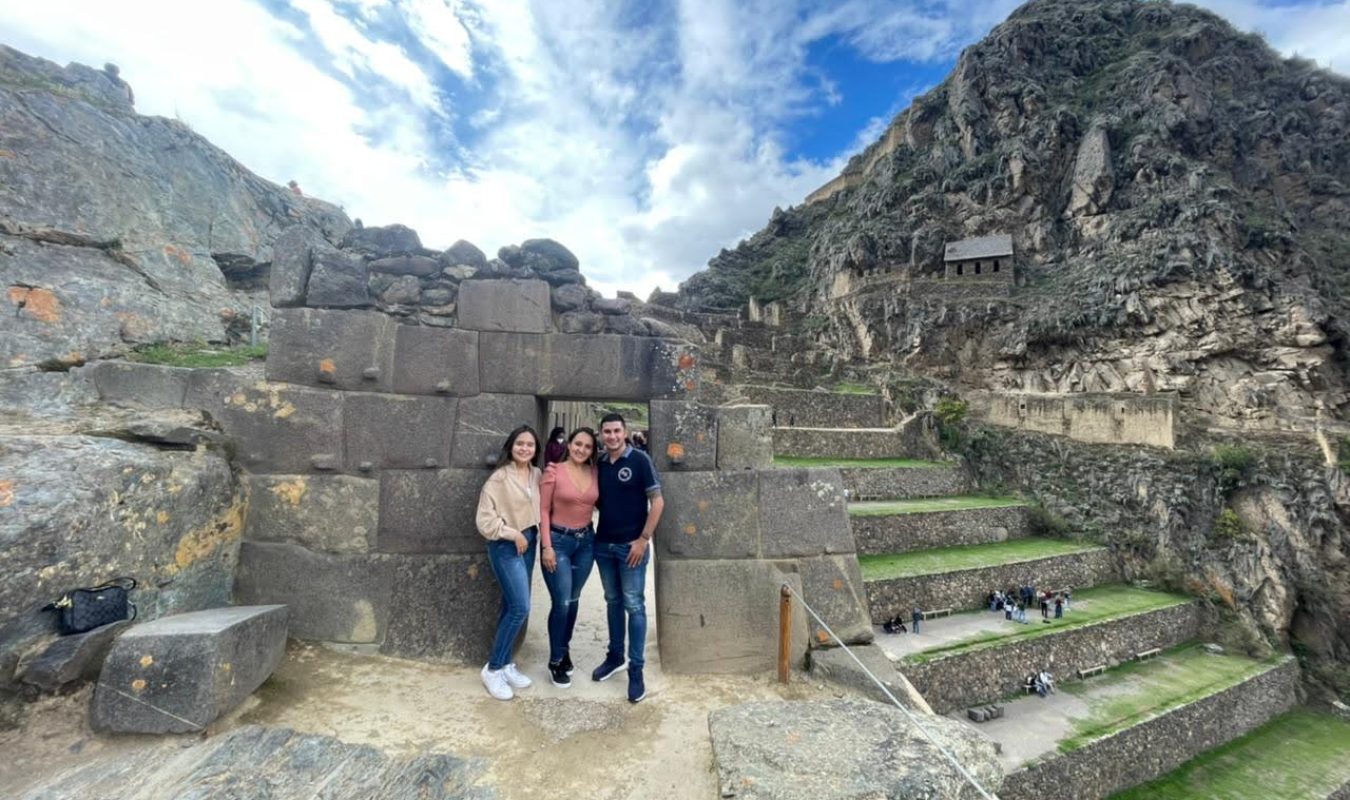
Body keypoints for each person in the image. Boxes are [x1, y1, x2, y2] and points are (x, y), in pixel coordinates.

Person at [591, 413, 664, 703]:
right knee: (612, 601)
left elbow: (657, 501)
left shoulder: (640, 461)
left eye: (616, 431)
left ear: (625, 432)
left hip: (631, 546)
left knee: (634, 604)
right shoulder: (598, 464)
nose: (612, 436)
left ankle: (636, 668)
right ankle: (615, 656)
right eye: (606, 431)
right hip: (603, 544)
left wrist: (644, 539)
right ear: (601, 435)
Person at [475, 425, 542, 701]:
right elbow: (484, 520)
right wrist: (510, 533)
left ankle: (505, 663)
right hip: (506, 545)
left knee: (509, 605)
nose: (525, 448)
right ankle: (492, 669)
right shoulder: (498, 479)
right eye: (520, 444)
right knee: (520, 607)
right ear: (511, 447)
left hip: (530, 540)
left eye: (530, 444)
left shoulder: (537, 475)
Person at [538, 427, 599, 688]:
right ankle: (554, 660)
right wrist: (547, 547)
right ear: (569, 444)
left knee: (573, 601)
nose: (581, 450)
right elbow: (542, 509)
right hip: (559, 542)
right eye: (577, 444)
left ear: (592, 451)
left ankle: (564, 649)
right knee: (561, 602)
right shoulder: (554, 471)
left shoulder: (595, 472)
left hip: (585, 542)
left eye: (587, 446)